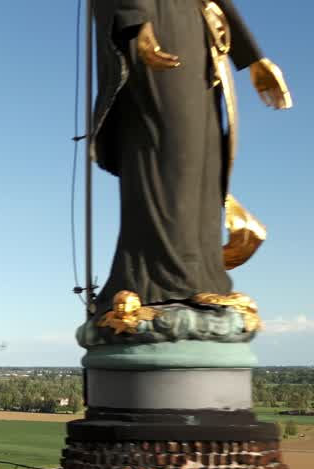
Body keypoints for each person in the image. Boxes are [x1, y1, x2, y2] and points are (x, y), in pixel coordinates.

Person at [92, 0, 291, 311]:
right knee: (170, 153)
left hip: (199, 37)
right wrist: (137, 21)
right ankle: (159, 280)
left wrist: (252, 56)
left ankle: (203, 277)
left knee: (205, 159)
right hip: (158, 22)